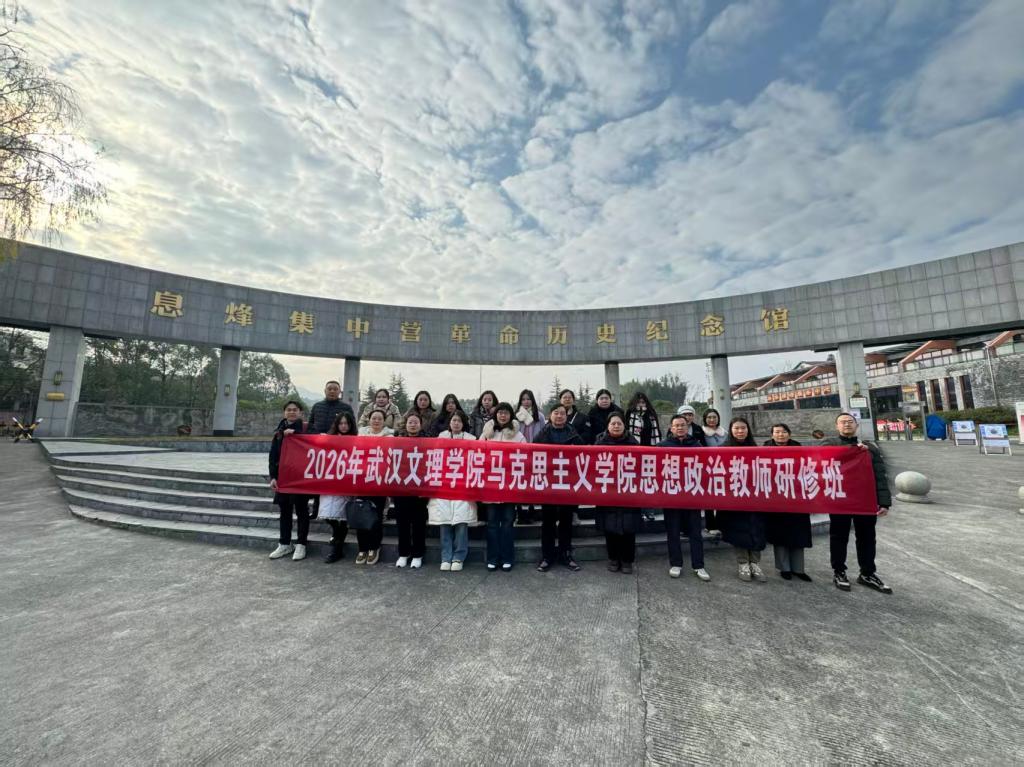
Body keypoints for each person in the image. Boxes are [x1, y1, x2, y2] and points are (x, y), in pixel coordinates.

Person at [821, 413, 893, 593]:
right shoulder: (830, 444)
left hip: (865, 500)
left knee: (867, 538)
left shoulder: (869, 448)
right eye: (842, 422)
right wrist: (853, 449)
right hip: (840, 499)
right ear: (837, 426)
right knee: (838, 537)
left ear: (856, 425)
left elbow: (880, 475)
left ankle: (867, 573)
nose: (847, 424)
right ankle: (839, 571)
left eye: (850, 422)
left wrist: (884, 502)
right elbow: (821, 458)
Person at [658, 414, 711, 581]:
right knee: (673, 531)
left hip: (692, 494)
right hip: (671, 495)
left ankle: (698, 565)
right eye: (676, 425)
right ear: (671, 428)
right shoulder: (662, 446)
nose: (680, 428)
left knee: (695, 532)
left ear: (687, 427)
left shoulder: (697, 445)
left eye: (682, 425)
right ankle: (676, 563)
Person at [533, 404, 585, 572]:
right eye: (556, 413)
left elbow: (583, 456)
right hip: (548, 484)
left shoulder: (574, 434)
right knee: (548, 522)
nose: (559, 416)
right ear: (550, 415)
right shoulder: (542, 434)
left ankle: (566, 555)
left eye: (562, 413)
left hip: (567, 484)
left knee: (566, 522)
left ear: (566, 416)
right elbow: (534, 455)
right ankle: (547, 556)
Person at [717, 417, 768, 583]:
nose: (740, 431)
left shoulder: (756, 449)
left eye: (743, 428)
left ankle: (755, 563)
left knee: (756, 529)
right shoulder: (723, 449)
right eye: (736, 428)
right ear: (731, 430)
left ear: (748, 430)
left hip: (754, 497)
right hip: (734, 498)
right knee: (738, 530)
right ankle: (743, 563)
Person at [428, 412, 477, 571]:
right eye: (454, 420)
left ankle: (459, 556)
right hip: (444, 485)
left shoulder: (471, 439)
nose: (456, 423)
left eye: (459, 421)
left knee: (461, 521)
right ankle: (446, 556)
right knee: (445, 521)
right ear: (449, 423)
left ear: (463, 423)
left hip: (462, 486)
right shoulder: (441, 437)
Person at [763, 423, 812, 581]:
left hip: (797, 496)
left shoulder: (798, 448)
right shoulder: (764, 450)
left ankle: (799, 569)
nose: (781, 435)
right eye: (777, 432)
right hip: (776, 497)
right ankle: (784, 568)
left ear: (789, 434)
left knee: (798, 532)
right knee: (780, 533)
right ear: (772, 435)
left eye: (784, 432)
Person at [593, 413, 641, 573]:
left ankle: (627, 560)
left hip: (629, 489)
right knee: (610, 527)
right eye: (613, 423)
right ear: (607, 426)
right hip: (608, 490)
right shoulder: (599, 443)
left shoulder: (634, 443)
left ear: (624, 425)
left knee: (629, 527)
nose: (616, 426)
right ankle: (613, 558)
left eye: (619, 423)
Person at [480, 402, 524, 571]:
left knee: (507, 523)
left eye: (506, 413)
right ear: (495, 415)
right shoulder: (487, 434)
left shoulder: (518, 436)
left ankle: (507, 558)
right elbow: (478, 454)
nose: (503, 416)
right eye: (500, 413)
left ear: (511, 415)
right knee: (492, 523)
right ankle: (492, 558)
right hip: (491, 484)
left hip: (509, 485)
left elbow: (525, 457)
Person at [267, 400, 311, 561]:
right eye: (289, 410)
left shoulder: (307, 429)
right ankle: (284, 543)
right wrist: (273, 477)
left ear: (300, 412)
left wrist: (296, 435)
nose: (292, 412)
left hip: (300, 477)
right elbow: (273, 456)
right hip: (284, 478)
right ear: (284, 412)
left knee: (302, 511)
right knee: (285, 511)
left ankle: (301, 544)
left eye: (295, 409)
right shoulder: (279, 432)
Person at [306, 380, 356, 520]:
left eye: (335, 389)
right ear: (325, 390)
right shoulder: (317, 406)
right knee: (319, 478)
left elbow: (352, 427)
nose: (332, 391)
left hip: (339, 452)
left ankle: (340, 511)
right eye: (330, 389)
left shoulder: (346, 407)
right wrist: (317, 437)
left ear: (340, 392)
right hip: (320, 449)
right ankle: (316, 509)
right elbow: (310, 426)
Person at [319, 411, 358, 563]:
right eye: (341, 423)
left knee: (342, 517)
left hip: (346, 482)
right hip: (330, 481)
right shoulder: (329, 438)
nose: (343, 426)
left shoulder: (356, 440)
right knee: (328, 514)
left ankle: (337, 549)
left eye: (346, 423)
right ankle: (336, 537)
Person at [355, 409, 394, 564]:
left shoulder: (390, 436)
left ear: (384, 421)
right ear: (369, 420)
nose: (376, 421)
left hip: (379, 481)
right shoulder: (361, 434)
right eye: (374, 418)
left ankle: (374, 547)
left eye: (379, 419)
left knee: (376, 516)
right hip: (362, 479)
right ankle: (362, 548)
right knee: (361, 515)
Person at [392, 412, 428, 569]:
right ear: (406, 424)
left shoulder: (427, 442)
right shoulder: (398, 441)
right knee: (402, 523)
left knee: (419, 523)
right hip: (401, 487)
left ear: (421, 424)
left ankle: (418, 554)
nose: (413, 425)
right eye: (410, 422)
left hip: (420, 488)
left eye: (416, 422)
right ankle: (403, 553)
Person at [626, 392, 662, 521]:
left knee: (648, 482)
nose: (641, 404)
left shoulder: (651, 415)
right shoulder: (629, 414)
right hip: (634, 453)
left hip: (649, 453)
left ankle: (649, 510)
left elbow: (657, 432)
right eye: (638, 402)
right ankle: (638, 511)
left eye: (643, 402)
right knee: (635, 482)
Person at [514, 389, 546, 524]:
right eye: (523, 399)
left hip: (535, 453)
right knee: (519, 482)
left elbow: (544, 433)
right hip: (519, 453)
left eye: (528, 399)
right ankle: (520, 510)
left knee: (532, 482)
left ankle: (532, 509)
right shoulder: (516, 416)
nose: (526, 402)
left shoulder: (540, 416)